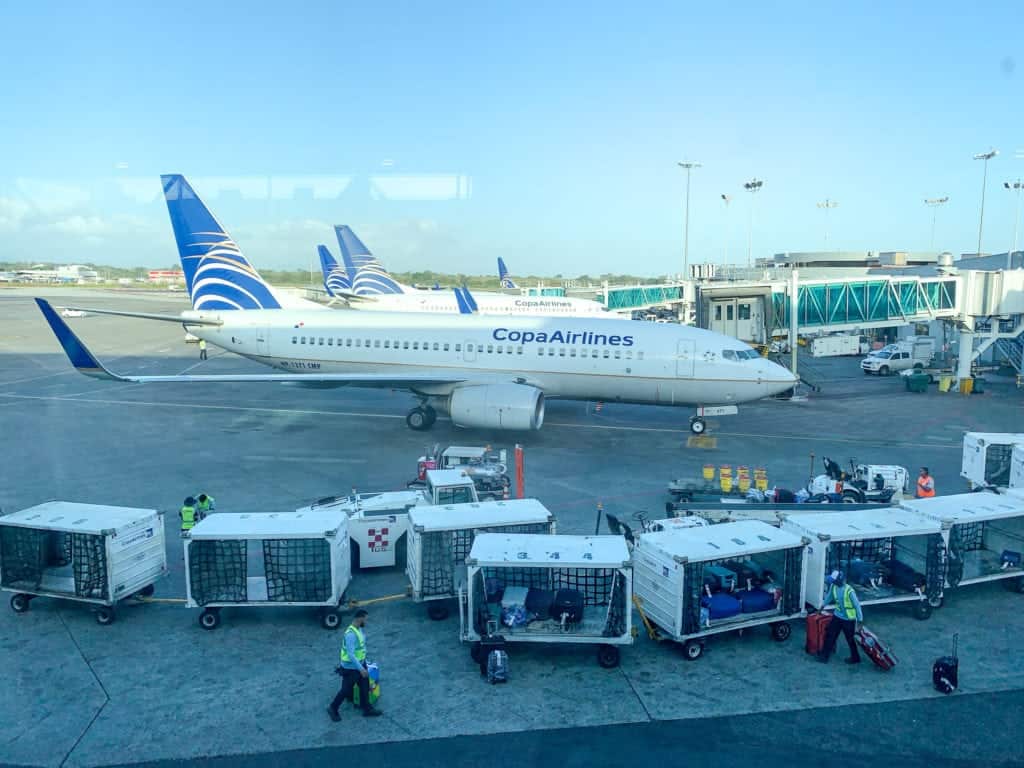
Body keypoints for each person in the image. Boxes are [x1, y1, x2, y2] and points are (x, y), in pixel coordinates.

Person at [328, 609, 382, 720]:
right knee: (346, 690)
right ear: (360, 618)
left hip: (360, 664)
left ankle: (367, 709)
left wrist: (363, 663)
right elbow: (351, 654)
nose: (366, 621)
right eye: (365, 619)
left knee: (364, 686)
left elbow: (360, 647)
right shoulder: (350, 634)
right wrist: (361, 669)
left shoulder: (359, 629)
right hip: (351, 668)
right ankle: (333, 708)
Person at [817, 570, 863, 664]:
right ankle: (824, 656)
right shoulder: (834, 587)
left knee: (850, 639)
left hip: (849, 619)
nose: (832, 582)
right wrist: (821, 607)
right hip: (837, 616)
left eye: (834, 580)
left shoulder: (849, 591)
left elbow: (857, 606)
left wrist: (860, 621)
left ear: (840, 580)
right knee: (830, 635)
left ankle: (855, 658)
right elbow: (829, 597)